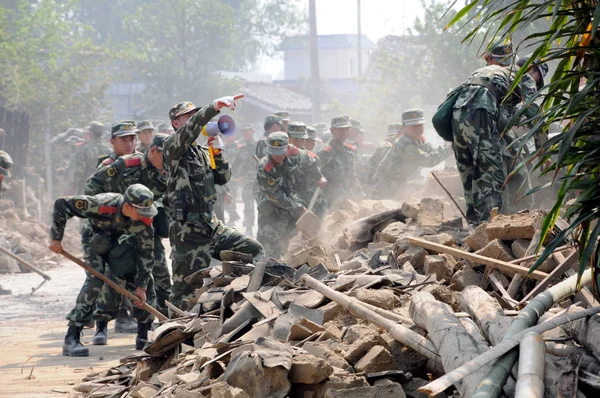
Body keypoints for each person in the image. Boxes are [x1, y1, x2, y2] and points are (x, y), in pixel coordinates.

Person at [163, 98, 264, 310]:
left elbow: (222, 177)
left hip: (211, 224)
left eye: (194, 115)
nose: (193, 120)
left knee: (253, 250)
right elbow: (192, 129)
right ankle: (172, 336)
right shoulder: (173, 148)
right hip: (188, 232)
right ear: (176, 123)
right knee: (184, 291)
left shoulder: (200, 152)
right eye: (188, 116)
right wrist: (214, 108)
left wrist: (217, 154)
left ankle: (239, 303)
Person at [49, 184, 158, 356]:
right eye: (140, 212)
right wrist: (56, 238)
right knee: (95, 281)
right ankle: (72, 338)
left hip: (121, 245)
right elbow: (62, 204)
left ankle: (144, 335)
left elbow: (146, 255)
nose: (144, 217)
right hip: (95, 242)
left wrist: (141, 286)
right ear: (127, 206)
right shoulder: (101, 204)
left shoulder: (144, 221)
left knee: (142, 280)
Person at [85, 134, 171, 326]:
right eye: (165, 157)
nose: (168, 162)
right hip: (119, 228)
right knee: (116, 275)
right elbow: (92, 185)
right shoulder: (127, 164)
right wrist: (104, 216)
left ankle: (167, 321)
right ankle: (105, 322)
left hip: (147, 228)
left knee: (160, 273)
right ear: (154, 151)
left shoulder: (169, 169)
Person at [451, 41, 523, 223]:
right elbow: (533, 110)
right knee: (493, 174)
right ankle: (494, 226)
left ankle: (474, 225)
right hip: (482, 114)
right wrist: (541, 146)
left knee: (468, 172)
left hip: (458, 114)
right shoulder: (517, 72)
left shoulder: (477, 74)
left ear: (488, 58)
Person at [374, 109, 451, 198]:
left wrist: (448, 147)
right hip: (386, 188)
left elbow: (433, 152)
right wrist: (450, 149)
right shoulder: (405, 144)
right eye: (413, 126)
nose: (417, 129)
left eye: (420, 125)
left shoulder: (418, 140)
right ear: (404, 127)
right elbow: (429, 160)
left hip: (399, 184)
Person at [256, 132, 306, 257]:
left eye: (280, 151)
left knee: (288, 251)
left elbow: (292, 188)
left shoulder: (291, 162)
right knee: (269, 253)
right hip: (271, 216)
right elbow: (275, 195)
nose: (277, 156)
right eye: (274, 151)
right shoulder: (265, 167)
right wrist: (297, 208)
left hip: (288, 216)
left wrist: (299, 204)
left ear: (287, 148)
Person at [317, 116, 362, 210]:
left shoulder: (350, 150)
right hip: (330, 204)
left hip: (348, 201)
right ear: (332, 130)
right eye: (340, 129)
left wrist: (360, 194)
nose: (344, 132)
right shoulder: (324, 152)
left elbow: (353, 176)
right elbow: (316, 178)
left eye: (346, 129)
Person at [286, 123, 327, 217]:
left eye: (302, 139)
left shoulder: (312, 158)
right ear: (288, 138)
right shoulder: (280, 157)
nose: (299, 143)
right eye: (296, 139)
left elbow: (318, 182)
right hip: (286, 209)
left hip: (307, 207)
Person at [67, 122, 111, 194]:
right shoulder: (108, 150)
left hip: (86, 188)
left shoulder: (83, 150)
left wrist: (73, 186)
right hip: (104, 189)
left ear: (91, 133)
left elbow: (80, 171)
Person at [232, 124, 258, 235]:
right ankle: (248, 226)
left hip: (259, 181)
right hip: (247, 182)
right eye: (243, 132)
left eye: (247, 132)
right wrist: (237, 176)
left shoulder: (259, 146)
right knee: (248, 205)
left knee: (263, 205)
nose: (245, 134)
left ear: (252, 132)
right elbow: (235, 165)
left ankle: (263, 226)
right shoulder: (240, 148)